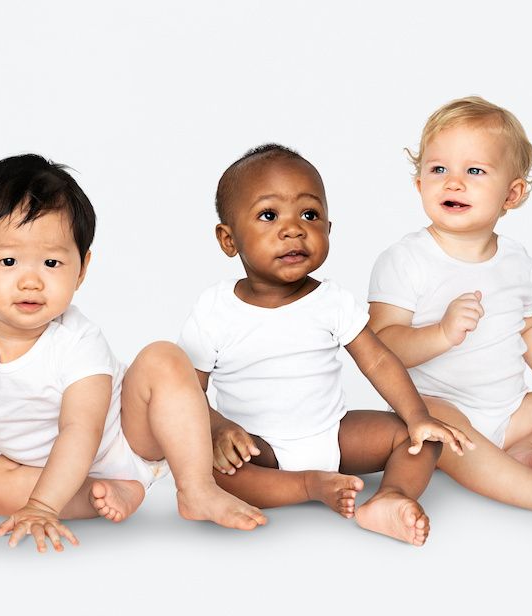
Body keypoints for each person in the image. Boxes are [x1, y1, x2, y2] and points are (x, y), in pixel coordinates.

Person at [0, 154, 268, 553]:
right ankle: (105, 494)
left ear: (81, 269)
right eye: (8, 261)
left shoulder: (78, 340)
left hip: (129, 435)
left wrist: (42, 505)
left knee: (163, 357)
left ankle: (196, 489)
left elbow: (80, 430)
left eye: (52, 262)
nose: (31, 281)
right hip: (50, 467)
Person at [186, 144, 472, 546]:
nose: (293, 229)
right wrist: (219, 428)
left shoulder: (331, 300)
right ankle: (308, 486)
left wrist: (417, 415)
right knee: (210, 471)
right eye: (269, 216)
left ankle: (391, 497)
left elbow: (377, 361)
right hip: (259, 447)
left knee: (422, 439)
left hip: (334, 435)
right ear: (228, 239)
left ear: (329, 229)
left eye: (309, 214)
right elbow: (187, 391)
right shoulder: (215, 310)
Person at [367, 96, 532, 524]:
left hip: (508, 408)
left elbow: (530, 326)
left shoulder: (515, 259)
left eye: (474, 171)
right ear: (419, 184)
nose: (453, 183)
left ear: (511, 194)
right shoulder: (406, 259)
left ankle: (522, 452)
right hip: (436, 406)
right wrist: (441, 334)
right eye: (438, 169)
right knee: (441, 424)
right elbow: (380, 347)